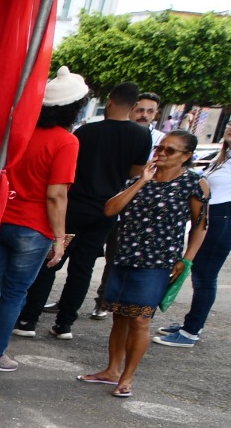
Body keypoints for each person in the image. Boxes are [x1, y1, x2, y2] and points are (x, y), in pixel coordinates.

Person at [0, 67, 87, 373]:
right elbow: (56, 195)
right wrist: (59, 239)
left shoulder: (19, 133)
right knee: (15, 293)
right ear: (75, 108)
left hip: (0, 219)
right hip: (34, 228)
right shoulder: (67, 142)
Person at [13, 82, 153, 339]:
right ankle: (65, 324)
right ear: (134, 106)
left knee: (52, 262)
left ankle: (28, 320)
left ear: (109, 101)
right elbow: (135, 171)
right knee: (83, 268)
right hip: (106, 211)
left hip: (74, 208)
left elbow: (68, 167)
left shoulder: (87, 131)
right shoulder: (142, 135)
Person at [78, 132, 210, 398]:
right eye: (159, 148)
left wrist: (187, 259)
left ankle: (127, 376)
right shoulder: (140, 179)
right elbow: (110, 209)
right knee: (120, 315)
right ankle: (112, 370)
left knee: (140, 319)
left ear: (186, 156)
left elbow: (201, 225)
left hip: (158, 261)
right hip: (125, 256)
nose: (161, 153)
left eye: (170, 150)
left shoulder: (194, 183)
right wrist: (141, 181)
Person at [156, 131, 231, 348]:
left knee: (204, 277)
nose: (229, 128)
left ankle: (191, 331)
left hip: (222, 218)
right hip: (211, 216)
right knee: (200, 274)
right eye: (229, 124)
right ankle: (192, 324)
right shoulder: (222, 158)